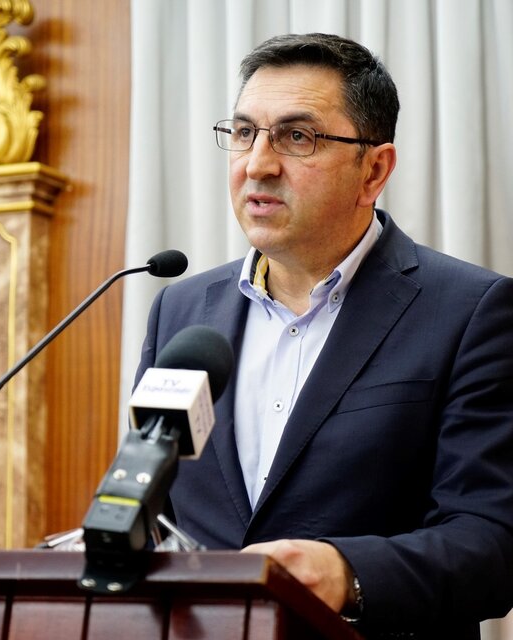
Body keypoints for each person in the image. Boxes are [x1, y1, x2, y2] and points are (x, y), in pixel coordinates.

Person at [134, 33, 513, 639]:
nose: (257, 164)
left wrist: (345, 572)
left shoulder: (470, 311)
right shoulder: (180, 312)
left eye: (297, 137)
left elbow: (492, 541)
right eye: (243, 133)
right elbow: (153, 506)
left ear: (374, 170)